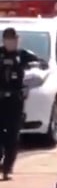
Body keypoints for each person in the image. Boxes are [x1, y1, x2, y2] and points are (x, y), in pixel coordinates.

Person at [0, 28, 44, 179]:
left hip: (15, 101)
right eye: (8, 39)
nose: (11, 42)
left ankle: (7, 168)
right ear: (4, 40)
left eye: (14, 39)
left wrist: (30, 78)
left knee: (12, 136)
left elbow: (39, 66)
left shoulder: (24, 55)